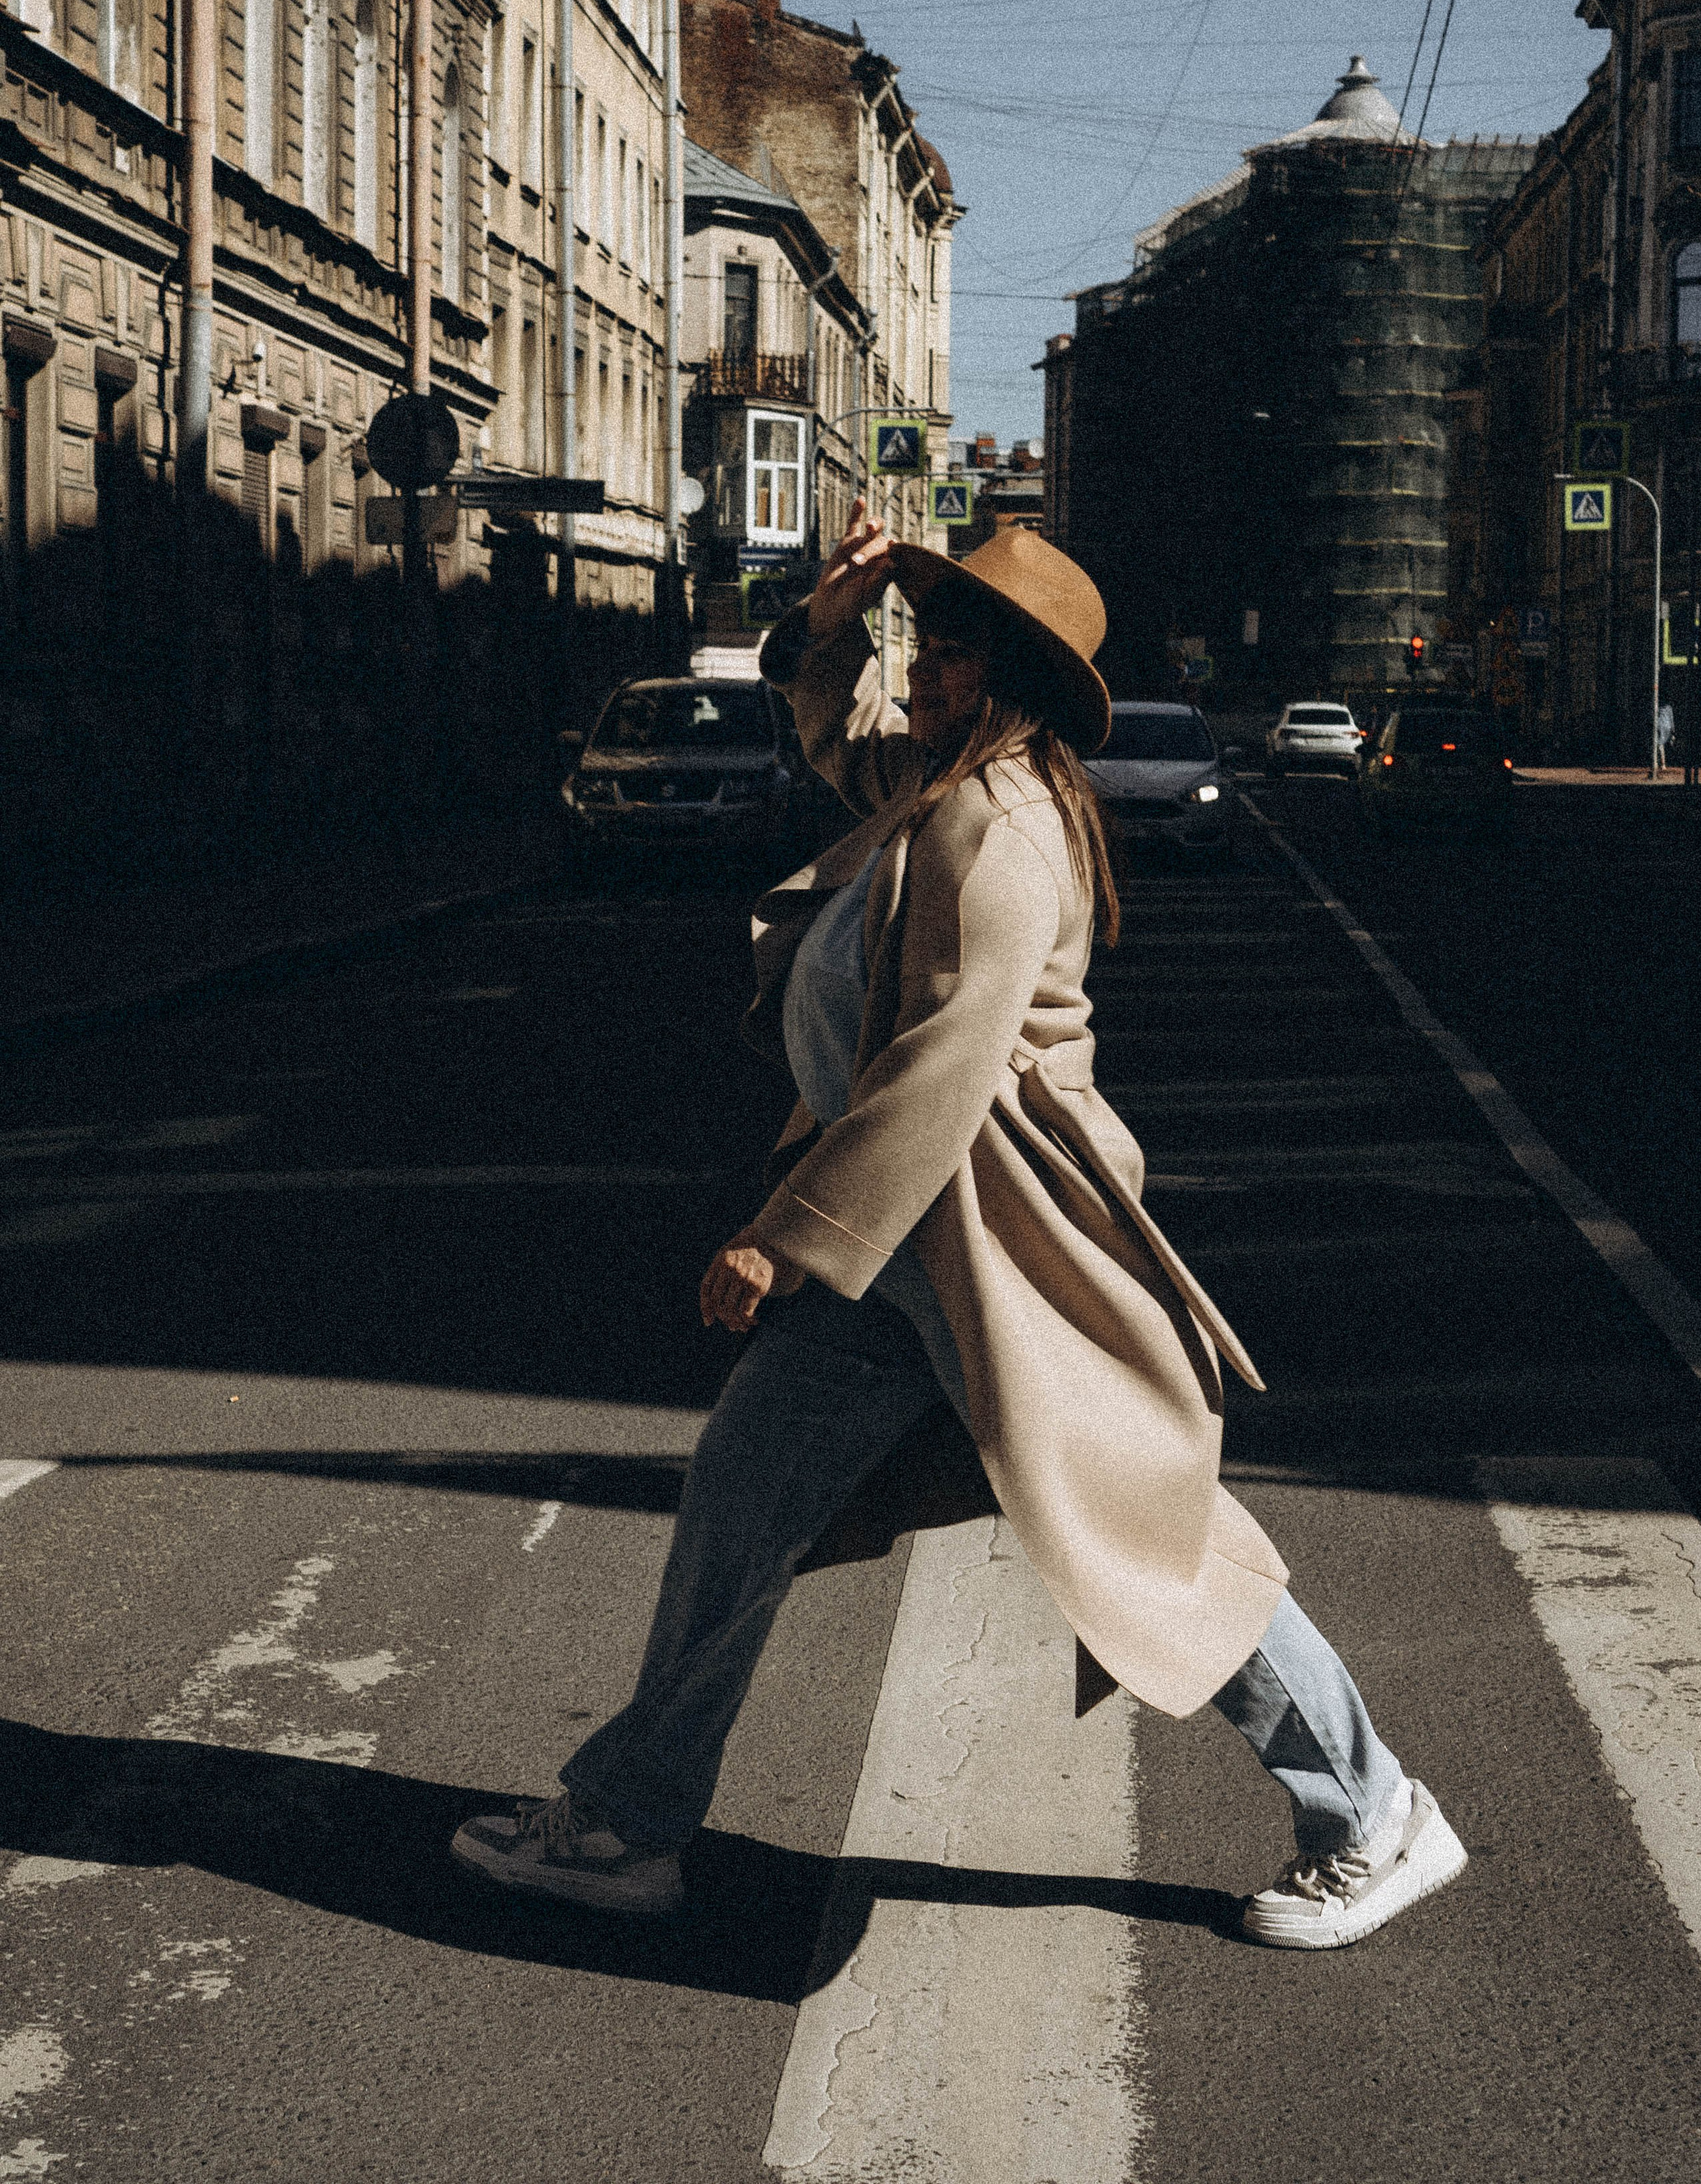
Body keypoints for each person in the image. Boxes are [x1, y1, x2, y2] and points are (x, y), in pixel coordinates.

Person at [452, 508, 1467, 1951]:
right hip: (906, 1253)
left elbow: (941, 1064)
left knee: (1146, 1543)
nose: (915, 668)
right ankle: (627, 1824)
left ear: (1007, 679)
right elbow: (826, 729)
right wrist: (829, 616)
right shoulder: (941, 785)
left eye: (940, 647)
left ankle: (1375, 1816)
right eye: (919, 641)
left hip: (994, 1240)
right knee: (739, 1507)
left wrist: (781, 1237)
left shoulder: (1001, 828)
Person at [1657, 698, 1675, 771]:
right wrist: (1673, 730)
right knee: (1663, 744)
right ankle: (1663, 764)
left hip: (1661, 726)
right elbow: (1671, 719)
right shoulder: (1669, 707)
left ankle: (1662, 764)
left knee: (1660, 744)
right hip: (1667, 727)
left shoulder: (1659, 707)